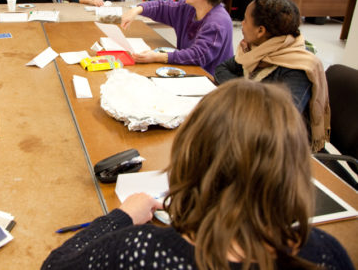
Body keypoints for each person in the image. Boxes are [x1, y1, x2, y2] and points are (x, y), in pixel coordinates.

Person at [42, 79, 353, 270]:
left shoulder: (141, 250)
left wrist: (120, 217)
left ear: (189, 157)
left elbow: (55, 265)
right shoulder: (325, 253)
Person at [215, 0, 330, 151]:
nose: (242, 23)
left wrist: (241, 92)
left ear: (260, 30)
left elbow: (278, 120)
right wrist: (246, 93)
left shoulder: (298, 69)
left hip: (281, 148)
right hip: (248, 128)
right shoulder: (256, 50)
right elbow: (222, 69)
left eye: (246, 20)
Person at [121, 0, 233, 75]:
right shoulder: (190, 7)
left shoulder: (217, 22)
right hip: (188, 70)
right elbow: (163, 7)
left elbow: (198, 56)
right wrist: (137, 10)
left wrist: (158, 57)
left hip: (210, 80)